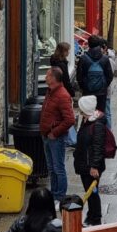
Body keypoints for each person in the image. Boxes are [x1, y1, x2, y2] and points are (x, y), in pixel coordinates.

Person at [40, 67, 76, 206]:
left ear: (54, 78)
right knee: (51, 167)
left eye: (48, 75)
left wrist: (55, 133)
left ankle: (60, 197)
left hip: (56, 138)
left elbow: (70, 120)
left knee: (58, 168)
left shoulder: (62, 95)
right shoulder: (50, 91)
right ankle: (53, 193)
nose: (46, 77)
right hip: (46, 136)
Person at [72, 95, 107, 225]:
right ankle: (91, 215)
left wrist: (94, 166)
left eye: (81, 109)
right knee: (90, 191)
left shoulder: (96, 125)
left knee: (92, 192)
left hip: (90, 166)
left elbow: (98, 147)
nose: (79, 112)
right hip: (85, 164)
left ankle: (95, 218)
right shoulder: (87, 120)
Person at [76, 35, 113, 113]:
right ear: (99, 45)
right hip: (101, 92)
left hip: (88, 91)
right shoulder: (105, 58)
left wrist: (84, 87)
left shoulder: (83, 58)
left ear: (88, 44)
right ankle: (100, 125)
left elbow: (79, 76)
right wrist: (104, 86)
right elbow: (109, 76)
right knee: (100, 113)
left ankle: (89, 125)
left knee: (88, 112)